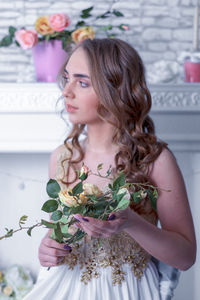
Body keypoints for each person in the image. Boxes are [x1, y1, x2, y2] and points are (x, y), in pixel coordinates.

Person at [24, 38, 196, 300]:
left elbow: (185, 257)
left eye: (82, 83)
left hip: (128, 289)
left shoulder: (154, 160)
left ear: (115, 90)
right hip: (68, 288)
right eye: (67, 78)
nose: (66, 92)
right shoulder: (62, 158)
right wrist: (47, 250)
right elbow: (57, 235)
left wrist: (132, 223)